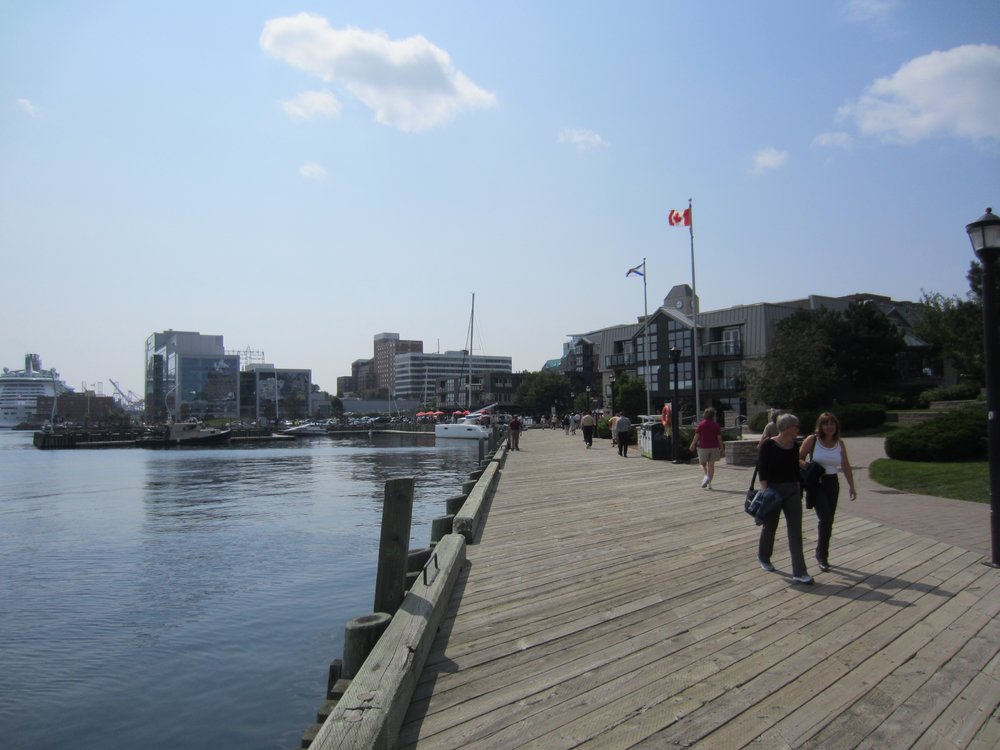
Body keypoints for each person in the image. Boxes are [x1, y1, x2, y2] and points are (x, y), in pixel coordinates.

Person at [757, 413, 813, 585]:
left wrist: (798, 487)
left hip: (792, 491)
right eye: (796, 426)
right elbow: (762, 469)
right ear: (788, 428)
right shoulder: (769, 445)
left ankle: (800, 572)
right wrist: (766, 491)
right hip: (773, 490)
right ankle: (764, 557)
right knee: (770, 526)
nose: (798, 429)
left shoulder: (794, 445)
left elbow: (795, 469)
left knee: (795, 530)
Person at [799, 412, 856, 572]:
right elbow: (798, 458)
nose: (829, 427)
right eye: (826, 424)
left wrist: (851, 486)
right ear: (821, 426)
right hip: (817, 483)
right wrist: (809, 466)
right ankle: (821, 556)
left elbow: (845, 465)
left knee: (829, 520)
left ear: (836, 426)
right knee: (825, 519)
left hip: (832, 483)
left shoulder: (839, 443)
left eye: (832, 424)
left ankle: (822, 553)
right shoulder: (813, 440)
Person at [689, 407, 724, 489]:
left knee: (702, 463)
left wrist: (692, 444)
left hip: (703, 447)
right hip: (714, 447)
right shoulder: (716, 425)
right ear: (713, 416)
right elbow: (719, 438)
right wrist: (722, 447)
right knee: (711, 466)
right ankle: (709, 483)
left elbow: (696, 436)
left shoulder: (701, 424)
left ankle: (706, 476)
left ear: (705, 415)